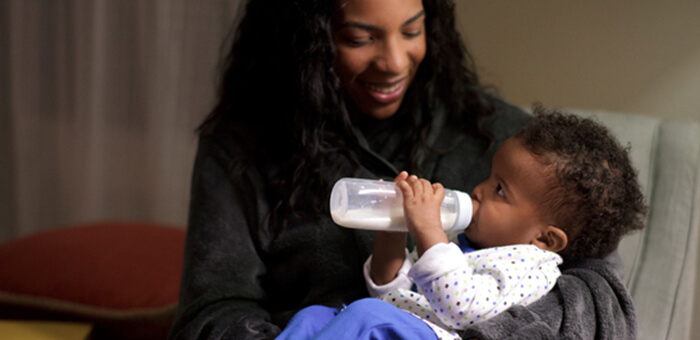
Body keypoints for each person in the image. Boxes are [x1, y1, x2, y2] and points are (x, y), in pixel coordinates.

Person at [168, 0, 639, 339]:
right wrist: (393, 236)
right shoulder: (241, 149)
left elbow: (599, 301)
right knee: (315, 319)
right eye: (359, 37)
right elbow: (212, 313)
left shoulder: (517, 145)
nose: (394, 62)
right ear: (305, 41)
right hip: (352, 318)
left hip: (398, 328)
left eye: (412, 31)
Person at [275, 108, 647, 340]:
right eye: (489, 178)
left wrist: (429, 232)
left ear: (545, 239)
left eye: (500, 190)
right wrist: (393, 229)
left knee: (366, 316)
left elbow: (460, 307)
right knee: (315, 316)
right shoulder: (465, 247)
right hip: (404, 325)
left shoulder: (532, 269)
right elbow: (393, 294)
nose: (479, 191)